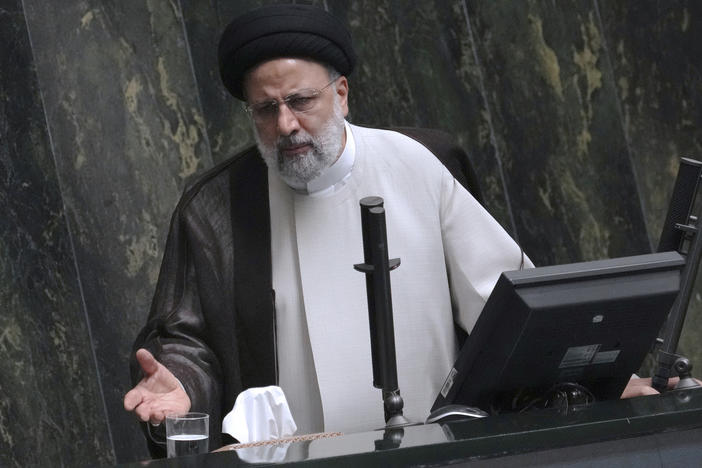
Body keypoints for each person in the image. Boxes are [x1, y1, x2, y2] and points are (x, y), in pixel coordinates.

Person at [123, 4, 666, 457]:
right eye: (266, 109)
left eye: (301, 101)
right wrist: (183, 391)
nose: (286, 124)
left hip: (440, 454)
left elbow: (511, 309)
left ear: (341, 94)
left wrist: (606, 380)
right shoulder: (217, 205)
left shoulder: (418, 161)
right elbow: (186, 341)